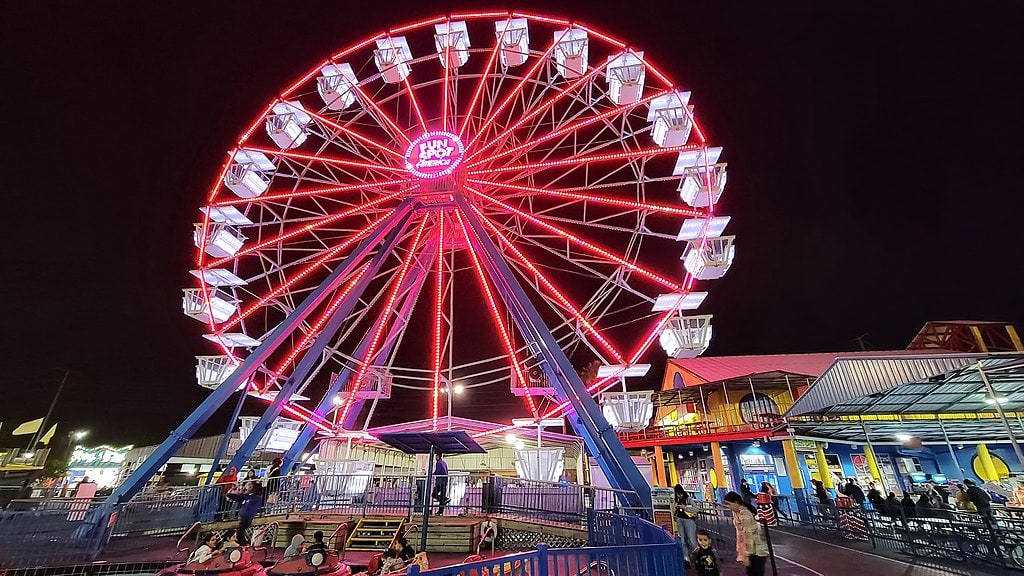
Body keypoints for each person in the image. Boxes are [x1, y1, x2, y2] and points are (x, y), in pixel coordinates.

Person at [723, 492, 768, 576]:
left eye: (729, 504)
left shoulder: (745, 514)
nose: (728, 506)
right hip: (751, 550)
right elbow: (739, 534)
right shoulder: (737, 513)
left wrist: (747, 554)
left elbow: (748, 535)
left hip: (756, 551)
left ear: (736, 502)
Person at [673, 484, 698, 560]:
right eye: (677, 494)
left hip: (689, 520)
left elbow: (696, 509)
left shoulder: (688, 499)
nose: (678, 496)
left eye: (679, 494)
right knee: (683, 541)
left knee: (691, 540)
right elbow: (674, 511)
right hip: (679, 520)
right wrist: (675, 508)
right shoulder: (676, 500)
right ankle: (686, 558)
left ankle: (697, 556)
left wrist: (685, 508)